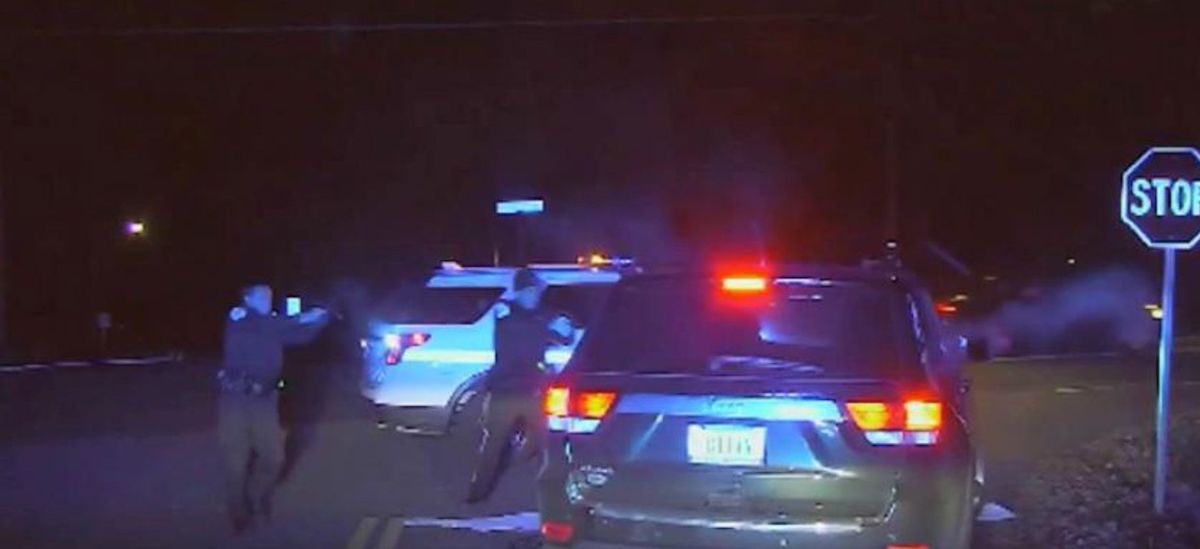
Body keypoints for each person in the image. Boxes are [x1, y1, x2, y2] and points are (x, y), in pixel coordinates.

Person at [218, 284, 329, 533]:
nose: (268, 298)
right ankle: (238, 513)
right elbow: (275, 324)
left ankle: (256, 496)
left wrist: (322, 318)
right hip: (235, 399)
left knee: (274, 457)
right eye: (262, 295)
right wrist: (306, 316)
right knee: (235, 461)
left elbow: (301, 336)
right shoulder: (240, 316)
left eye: (270, 295)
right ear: (247, 298)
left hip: (265, 400)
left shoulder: (272, 324)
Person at [466, 269, 574, 504]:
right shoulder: (505, 310)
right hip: (503, 391)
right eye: (532, 291)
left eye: (537, 291)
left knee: (544, 439)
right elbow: (520, 324)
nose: (536, 295)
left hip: (533, 391)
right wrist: (552, 321)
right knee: (492, 446)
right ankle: (476, 494)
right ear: (522, 291)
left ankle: (549, 491)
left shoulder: (540, 316)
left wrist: (564, 325)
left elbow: (566, 338)